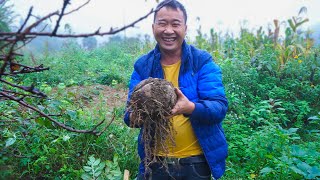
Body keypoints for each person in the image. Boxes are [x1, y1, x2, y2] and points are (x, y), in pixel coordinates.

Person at [123, 0, 228, 179]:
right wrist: (140, 112)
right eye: (162, 23)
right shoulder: (143, 66)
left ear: (185, 28)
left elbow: (218, 107)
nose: (169, 30)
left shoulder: (201, 62)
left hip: (195, 163)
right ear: (153, 27)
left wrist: (190, 108)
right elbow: (129, 116)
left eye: (175, 24)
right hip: (155, 162)